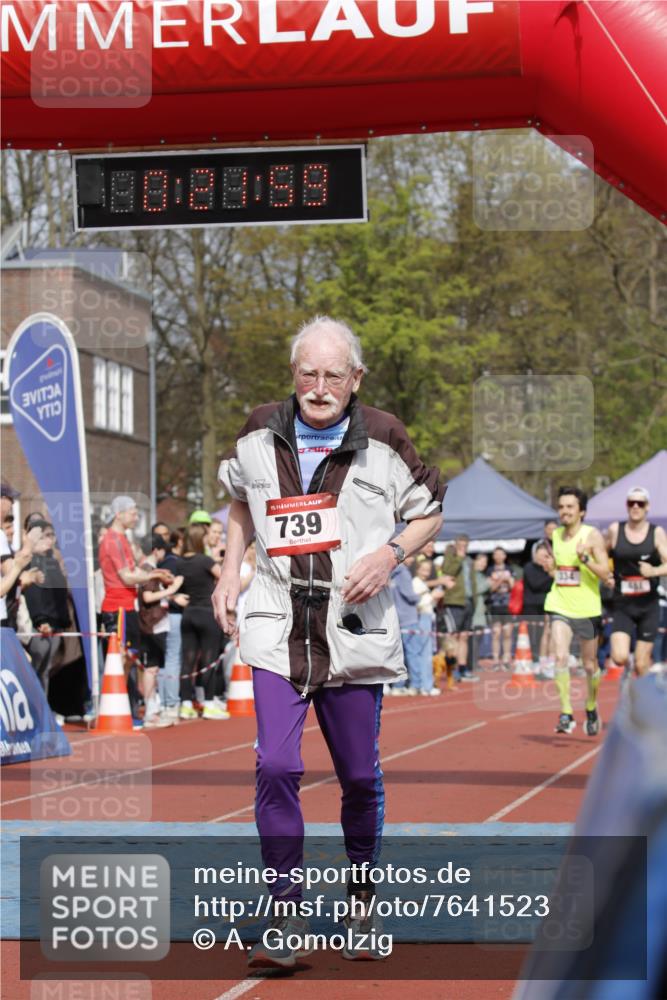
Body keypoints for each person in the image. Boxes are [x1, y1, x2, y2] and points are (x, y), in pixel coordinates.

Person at [214, 315, 445, 967]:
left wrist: (390, 555)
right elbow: (238, 500)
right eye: (306, 373)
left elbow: (430, 508)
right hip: (277, 622)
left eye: (332, 376)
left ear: (356, 378)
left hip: (352, 625)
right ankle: (284, 910)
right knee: (276, 765)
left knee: (356, 776)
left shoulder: (385, 436)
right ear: (293, 374)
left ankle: (361, 896)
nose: (318, 388)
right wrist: (230, 570)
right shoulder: (259, 429)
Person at [98, 496, 172, 726]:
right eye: (132, 512)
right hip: (117, 607)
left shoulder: (123, 539)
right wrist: (154, 575)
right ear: (119, 514)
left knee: (129, 659)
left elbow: (134, 570)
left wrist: (154, 573)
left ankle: (126, 710)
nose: (136, 516)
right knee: (120, 659)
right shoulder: (112, 540)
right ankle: (113, 712)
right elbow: (128, 576)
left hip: (128, 606)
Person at [544, 487, 610, 735]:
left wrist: (585, 559)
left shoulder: (592, 536)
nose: (564, 511)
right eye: (561, 507)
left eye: (570, 507)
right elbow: (562, 574)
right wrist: (552, 569)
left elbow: (605, 573)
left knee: (590, 665)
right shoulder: (557, 535)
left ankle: (591, 707)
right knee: (560, 657)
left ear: (581, 511)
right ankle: (566, 712)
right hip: (559, 603)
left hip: (587, 608)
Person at [606, 486, 667, 676]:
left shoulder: (656, 533)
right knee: (619, 657)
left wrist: (653, 570)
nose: (635, 507)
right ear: (626, 505)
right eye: (631, 502)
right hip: (623, 603)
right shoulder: (616, 530)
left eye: (640, 503)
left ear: (647, 507)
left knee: (642, 664)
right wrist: (606, 574)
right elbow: (601, 553)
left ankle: (643, 699)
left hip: (648, 605)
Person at [177, 524, 228, 720]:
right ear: (200, 539)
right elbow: (225, 576)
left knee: (188, 660)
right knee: (209, 659)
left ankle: (186, 703)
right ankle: (208, 703)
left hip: (188, 613)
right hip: (207, 613)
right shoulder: (205, 561)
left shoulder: (182, 562)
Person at [138, 534, 185, 728]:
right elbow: (148, 597)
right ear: (156, 550)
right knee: (151, 667)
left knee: (154, 667)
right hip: (152, 623)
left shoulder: (152, 570)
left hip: (156, 621)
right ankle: (150, 712)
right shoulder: (147, 570)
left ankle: (153, 708)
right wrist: (173, 589)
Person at [440, 534, 477, 680]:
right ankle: (451, 668)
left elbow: (472, 581)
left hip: (468, 601)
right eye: (460, 545)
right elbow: (447, 572)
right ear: (456, 545)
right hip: (454, 601)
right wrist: (459, 557)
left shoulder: (469, 560)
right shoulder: (450, 557)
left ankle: (463, 668)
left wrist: (475, 599)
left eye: (465, 546)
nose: (463, 548)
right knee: (453, 636)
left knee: (464, 636)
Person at [388, 557, 421, 693]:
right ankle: (416, 684)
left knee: (398, 655)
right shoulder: (404, 573)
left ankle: (398, 685)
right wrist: (422, 596)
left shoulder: (390, 573)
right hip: (409, 617)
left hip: (396, 618)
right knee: (413, 653)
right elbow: (410, 595)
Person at [412, 558, 444, 695]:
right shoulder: (416, 583)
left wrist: (434, 598)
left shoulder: (422, 583)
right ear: (417, 569)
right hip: (422, 617)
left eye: (428, 569)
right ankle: (425, 685)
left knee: (428, 651)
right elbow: (418, 604)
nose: (426, 572)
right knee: (424, 652)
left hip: (428, 616)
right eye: (423, 569)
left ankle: (426, 684)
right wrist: (432, 596)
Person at [523, 543, 555, 671]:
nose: (544, 559)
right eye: (542, 556)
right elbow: (536, 584)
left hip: (547, 605)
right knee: (534, 635)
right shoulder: (529, 567)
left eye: (547, 556)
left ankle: (546, 660)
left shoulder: (549, 569)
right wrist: (551, 576)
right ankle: (535, 660)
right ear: (535, 555)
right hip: (532, 606)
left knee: (548, 632)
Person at [486, 546, 515, 670]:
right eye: (496, 554)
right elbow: (490, 588)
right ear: (493, 556)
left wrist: (508, 579)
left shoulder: (510, 569)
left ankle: (506, 659)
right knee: (496, 633)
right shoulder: (490, 570)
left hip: (508, 605)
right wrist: (499, 581)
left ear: (504, 556)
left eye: (501, 554)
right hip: (495, 605)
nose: (498, 557)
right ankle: (496, 660)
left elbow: (514, 586)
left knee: (508, 633)